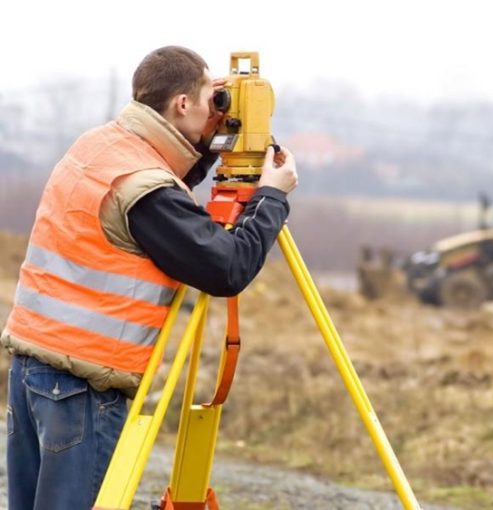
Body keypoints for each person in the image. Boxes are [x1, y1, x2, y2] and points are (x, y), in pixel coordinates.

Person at [1, 45, 298, 510]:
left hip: (31, 372)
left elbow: (162, 192)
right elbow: (228, 267)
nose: (214, 109)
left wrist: (203, 140)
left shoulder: (100, 146)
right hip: (82, 386)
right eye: (208, 99)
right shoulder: (146, 189)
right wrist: (271, 199)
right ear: (182, 104)